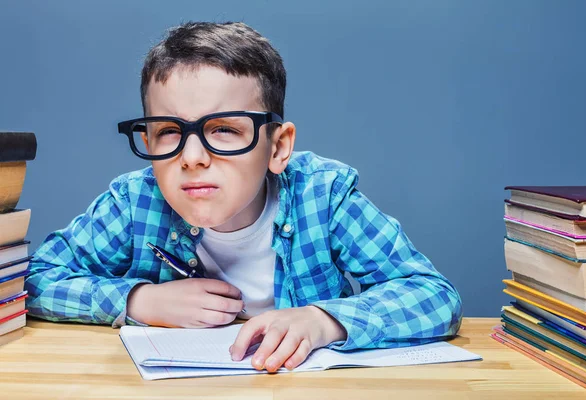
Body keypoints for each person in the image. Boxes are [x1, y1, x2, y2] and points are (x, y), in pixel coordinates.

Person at [26, 21, 462, 373]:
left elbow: (434, 295)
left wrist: (323, 320)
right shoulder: (135, 202)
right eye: (168, 132)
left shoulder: (323, 197)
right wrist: (139, 300)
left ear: (277, 148)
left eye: (224, 130)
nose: (192, 157)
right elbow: (36, 279)